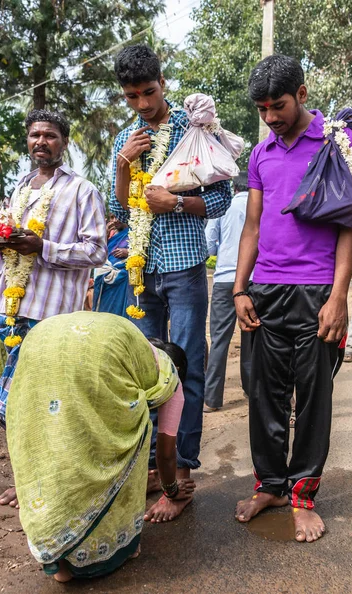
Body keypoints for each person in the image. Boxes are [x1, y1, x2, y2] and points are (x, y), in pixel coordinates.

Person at [233, 55, 352, 543]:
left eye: (278, 106)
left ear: (302, 94)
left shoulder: (338, 145)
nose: (270, 117)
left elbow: (350, 224)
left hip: (317, 292)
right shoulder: (261, 154)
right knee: (263, 393)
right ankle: (271, 485)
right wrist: (241, 289)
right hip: (265, 290)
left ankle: (303, 494)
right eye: (262, 109)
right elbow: (253, 226)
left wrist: (339, 295)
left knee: (313, 399)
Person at [110, 45, 232, 512]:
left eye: (149, 92)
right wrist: (124, 164)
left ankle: (180, 474)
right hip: (140, 270)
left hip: (182, 267)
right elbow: (122, 209)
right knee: (143, 374)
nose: (142, 104)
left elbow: (221, 198)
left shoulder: (192, 128)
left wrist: (177, 203)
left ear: (163, 81)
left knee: (186, 367)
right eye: (131, 96)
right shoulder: (127, 137)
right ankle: (150, 468)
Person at [5, 311, 195, 582]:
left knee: (56, 443)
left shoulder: (135, 348)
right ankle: (104, 554)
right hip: (93, 350)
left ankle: (53, 554)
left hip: (39, 341)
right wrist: (171, 490)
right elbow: (165, 453)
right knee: (128, 437)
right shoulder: (169, 377)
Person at [0, 109, 107, 507]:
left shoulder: (82, 190)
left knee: (31, 404)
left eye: (50, 135)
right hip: (10, 311)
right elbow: (4, 257)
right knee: (17, 404)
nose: (41, 142)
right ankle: (30, 478)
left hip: (51, 315)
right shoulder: (19, 189)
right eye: (35, 135)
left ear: (64, 142)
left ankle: (41, 482)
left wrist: (44, 247)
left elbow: (97, 250)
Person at [203, 173, 252, 413]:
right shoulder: (259, 205)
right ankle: (251, 390)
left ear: (233, 188)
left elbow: (209, 245)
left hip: (224, 279)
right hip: (253, 279)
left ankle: (212, 399)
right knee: (251, 337)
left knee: (220, 339)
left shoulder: (224, 206)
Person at [92, 214, 129, 316]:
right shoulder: (112, 235)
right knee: (104, 313)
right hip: (105, 281)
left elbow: (142, 253)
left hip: (123, 280)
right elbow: (98, 254)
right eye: (112, 217)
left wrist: (128, 252)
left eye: (118, 217)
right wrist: (105, 235)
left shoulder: (135, 233)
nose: (115, 220)